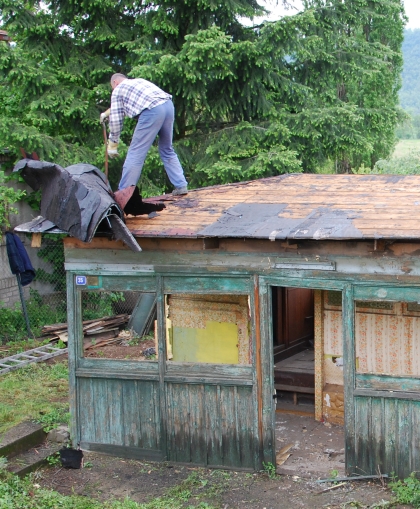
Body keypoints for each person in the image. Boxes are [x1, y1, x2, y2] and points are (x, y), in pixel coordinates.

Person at [100, 73, 188, 210]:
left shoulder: (118, 90)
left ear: (115, 83)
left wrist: (113, 143)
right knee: (167, 148)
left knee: (136, 153)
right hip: (167, 106)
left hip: (152, 111)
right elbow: (119, 108)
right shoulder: (138, 82)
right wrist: (106, 114)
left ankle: (124, 194)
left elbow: (117, 120)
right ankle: (181, 185)